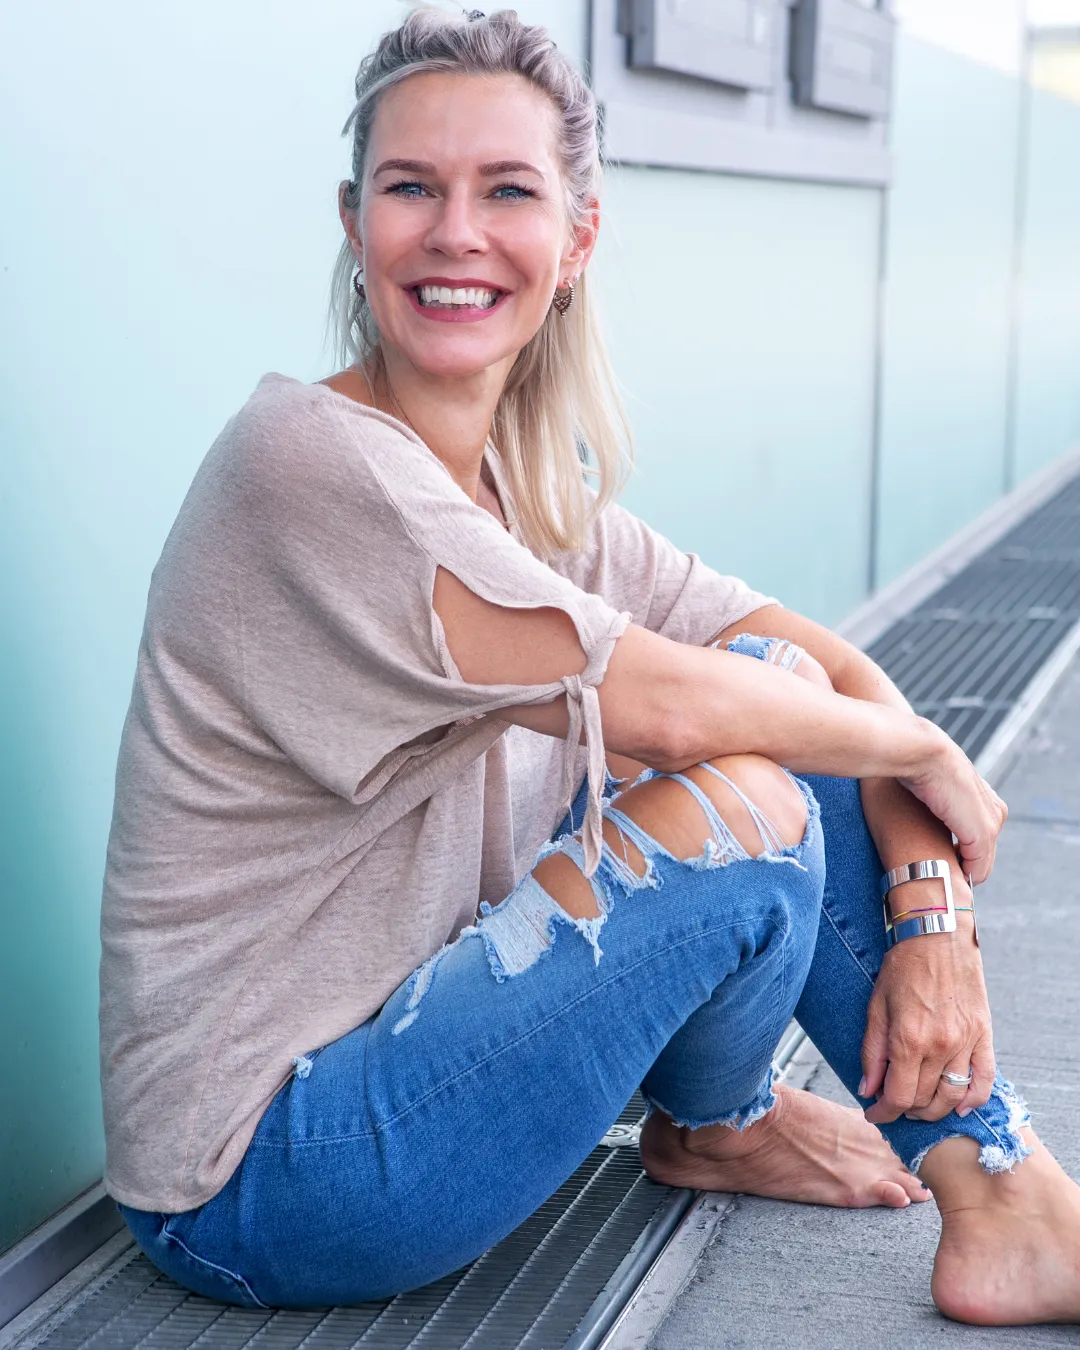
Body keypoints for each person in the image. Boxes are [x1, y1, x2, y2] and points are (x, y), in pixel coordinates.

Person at [101, 6, 1080, 1326]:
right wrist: (920, 750)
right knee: (750, 802)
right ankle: (816, 1140)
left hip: (413, 1059)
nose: (456, 231)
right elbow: (676, 706)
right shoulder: (307, 466)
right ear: (355, 223)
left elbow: (805, 661)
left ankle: (975, 1186)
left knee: (775, 701)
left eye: (506, 190)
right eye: (411, 188)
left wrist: (928, 907)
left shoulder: (520, 491)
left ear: (575, 240)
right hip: (260, 1176)